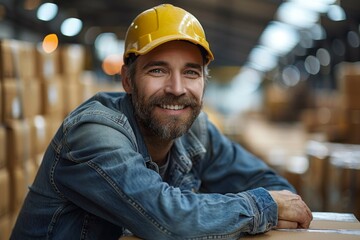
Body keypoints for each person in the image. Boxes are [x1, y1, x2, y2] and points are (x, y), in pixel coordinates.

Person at [10, 4, 312, 240]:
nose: (177, 88)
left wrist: (228, 213)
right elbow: (170, 221)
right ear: (127, 80)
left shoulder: (198, 131)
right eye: (158, 71)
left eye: (191, 72)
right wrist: (258, 208)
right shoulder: (94, 133)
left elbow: (275, 189)